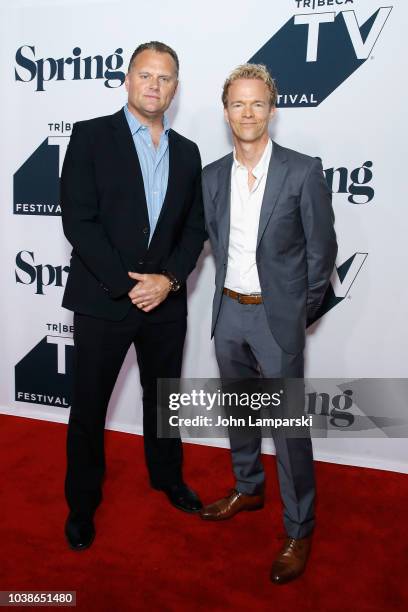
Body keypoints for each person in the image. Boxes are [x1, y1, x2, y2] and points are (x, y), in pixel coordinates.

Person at [61, 41, 206, 551]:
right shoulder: (90, 137)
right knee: (89, 408)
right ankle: (81, 505)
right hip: (104, 300)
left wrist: (166, 281)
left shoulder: (188, 153)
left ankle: (168, 478)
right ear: (127, 79)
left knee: (162, 400)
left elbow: (194, 229)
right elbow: (78, 221)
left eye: (164, 78)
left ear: (175, 88)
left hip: (166, 302)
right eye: (145, 74)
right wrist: (128, 286)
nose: (154, 85)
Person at [200, 64, 337, 584]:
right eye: (238, 104)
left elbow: (322, 251)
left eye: (258, 103)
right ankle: (248, 487)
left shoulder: (302, 171)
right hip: (228, 311)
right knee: (240, 411)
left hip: (276, 317)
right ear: (226, 110)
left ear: (273, 109)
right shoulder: (212, 175)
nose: (248, 113)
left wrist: (296, 312)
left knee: (287, 428)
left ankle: (300, 527)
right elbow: (204, 240)